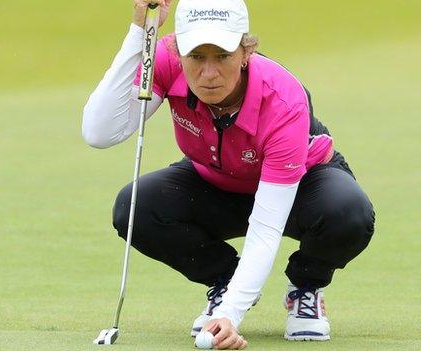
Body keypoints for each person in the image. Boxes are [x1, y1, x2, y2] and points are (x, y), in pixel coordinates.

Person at [82, 0, 375, 348]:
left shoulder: (283, 99)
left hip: (303, 186)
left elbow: (266, 225)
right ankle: (225, 280)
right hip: (215, 181)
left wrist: (229, 316)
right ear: (178, 52)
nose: (208, 73)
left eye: (222, 56)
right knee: (135, 207)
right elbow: (100, 132)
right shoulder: (164, 59)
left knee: (348, 213)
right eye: (196, 57)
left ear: (246, 51)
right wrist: (139, 34)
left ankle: (305, 286)